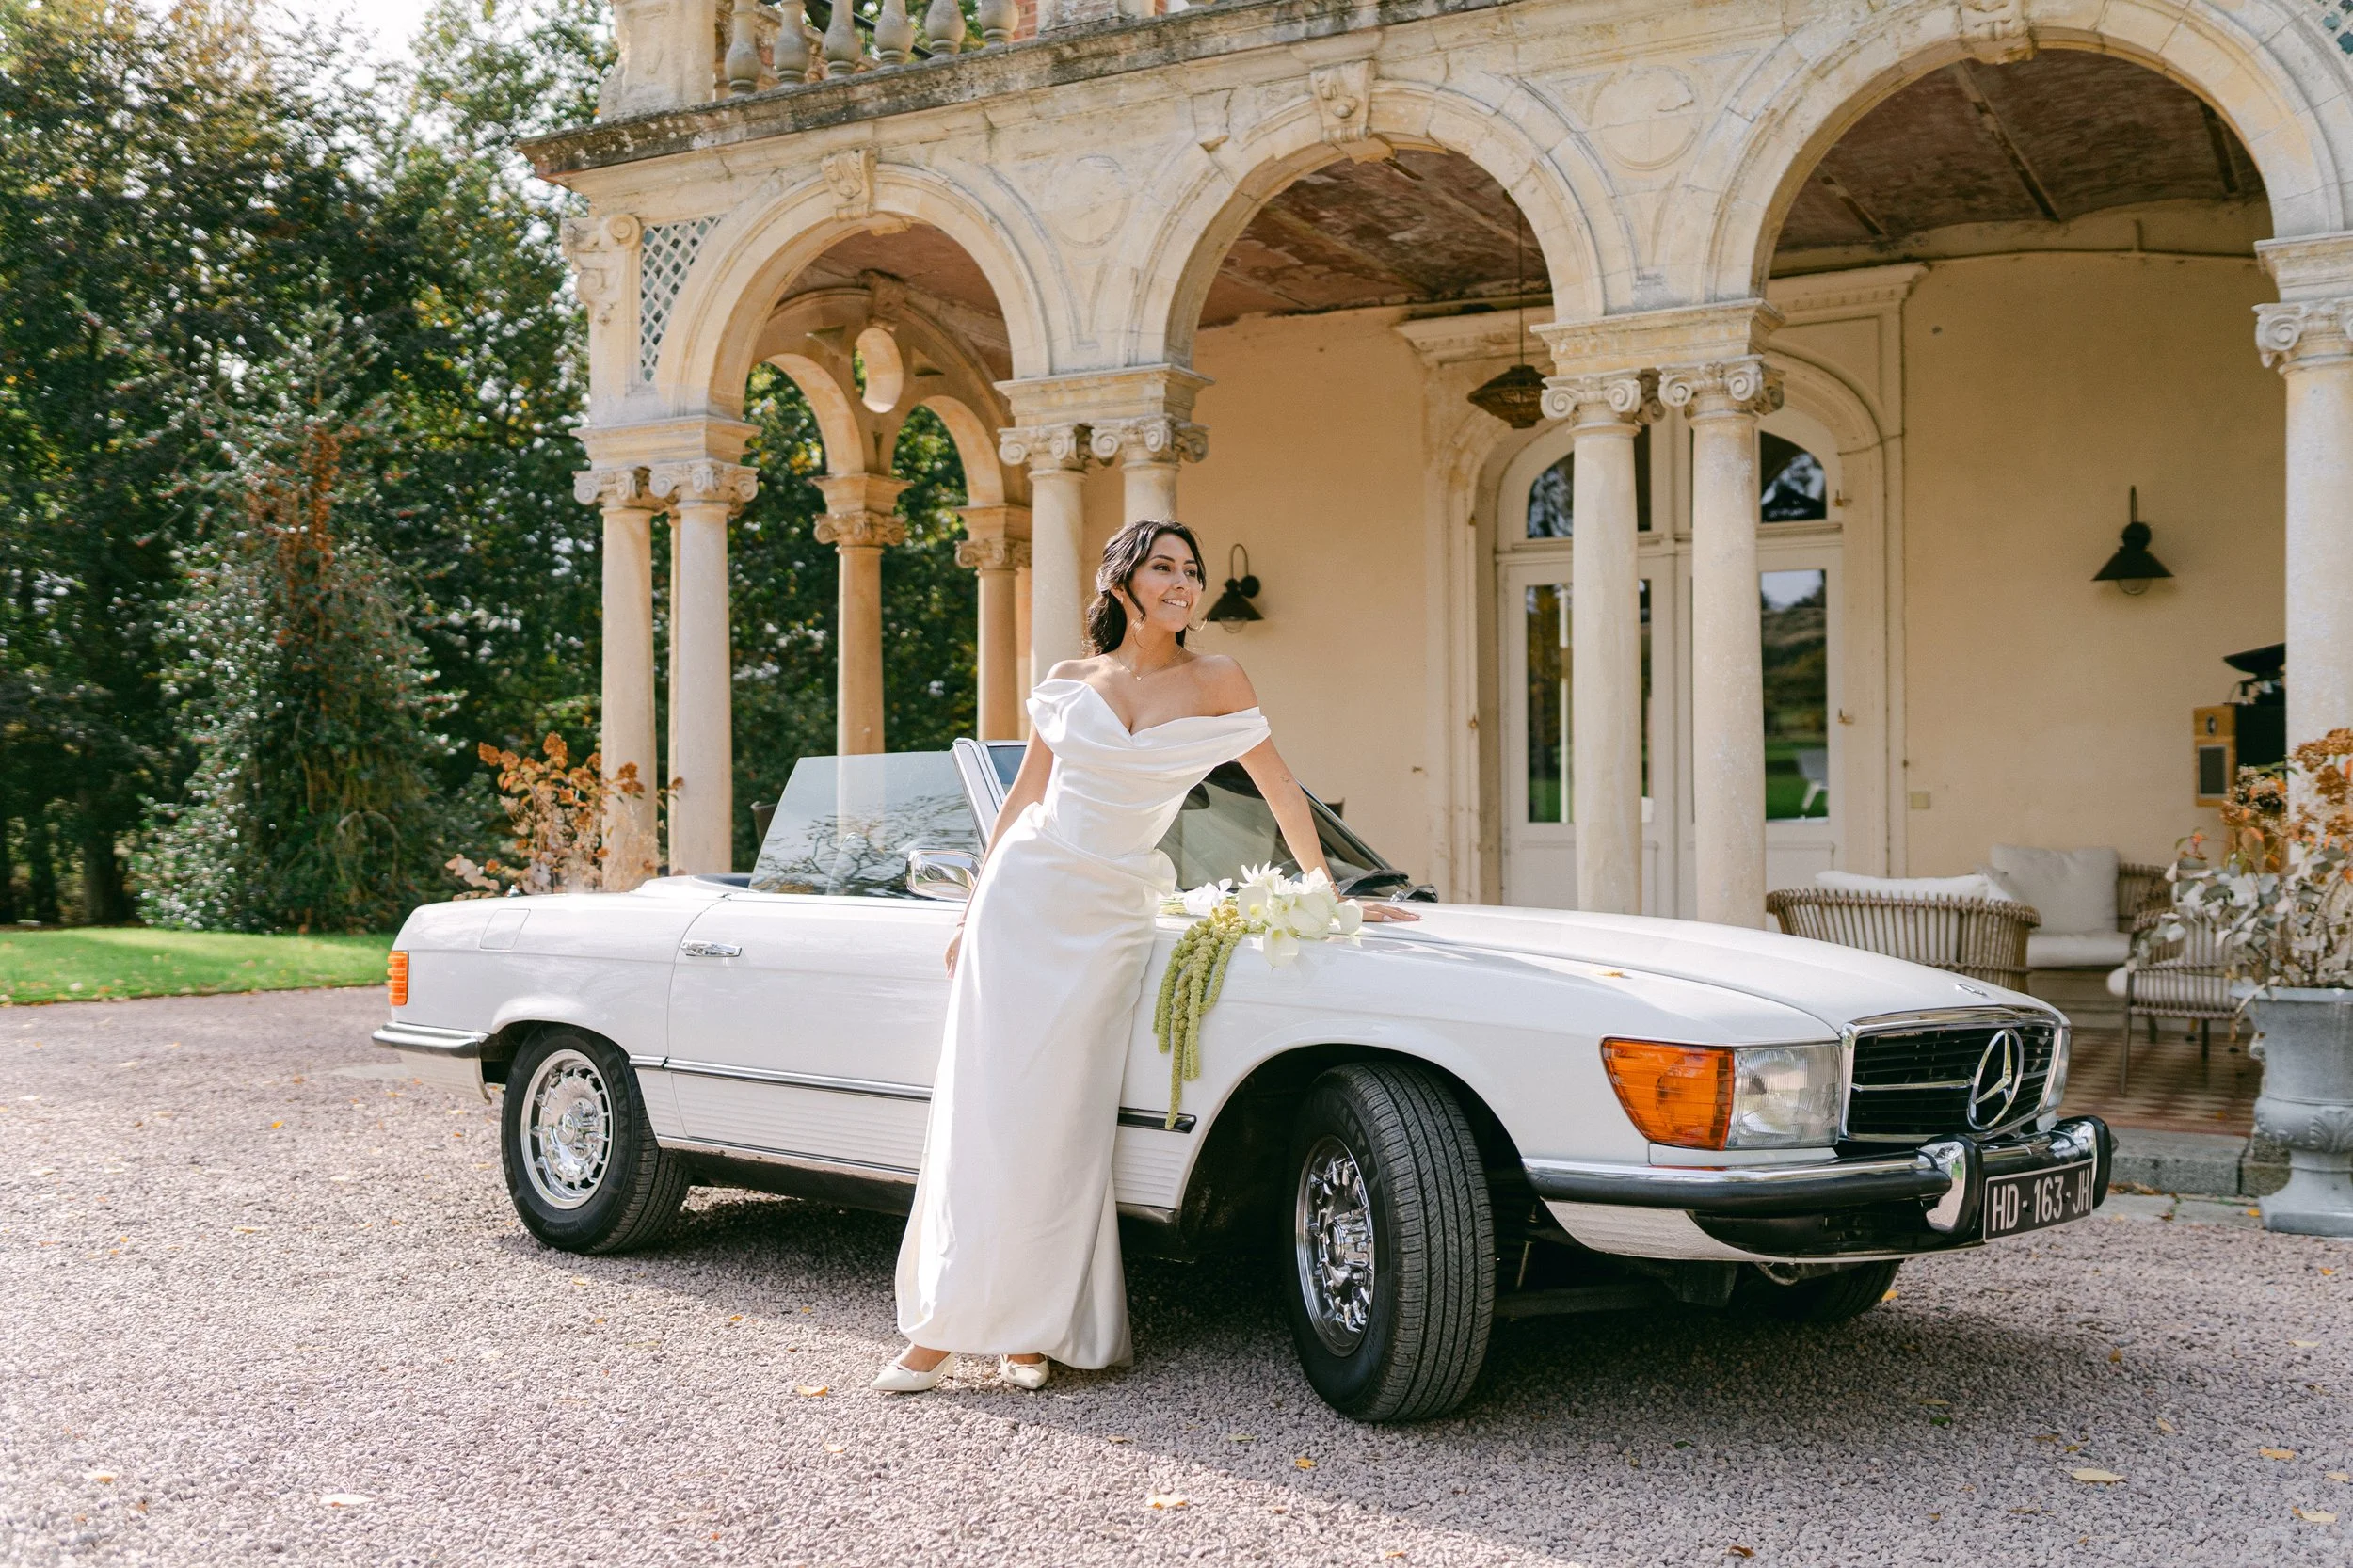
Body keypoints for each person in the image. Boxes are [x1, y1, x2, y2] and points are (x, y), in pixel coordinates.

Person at [874, 518, 1418, 1393]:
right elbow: (1024, 795)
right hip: (1023, 901)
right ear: (1122, 580)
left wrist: (1329, 895)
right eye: (1163, 566)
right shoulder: (1067, 680)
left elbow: (1281, 788)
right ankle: (942, 1327)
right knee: (983, 1112)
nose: (1182, 582)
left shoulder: (1218, 679)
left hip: (1109, 914)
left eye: (1193, 571)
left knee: (1062, 1119)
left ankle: (1032, 1328)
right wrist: (973, 908)